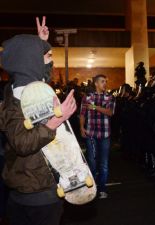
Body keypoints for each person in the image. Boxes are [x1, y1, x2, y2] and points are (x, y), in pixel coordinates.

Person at [0, 17, 77, 225]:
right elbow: (22, 143)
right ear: (28, 61)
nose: (44, 58)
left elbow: (42, 75)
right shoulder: (15, 99)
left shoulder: (24, 88)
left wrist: (41, 41)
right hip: (34, 195)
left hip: (36, 189)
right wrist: (56, 121)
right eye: (39, 55)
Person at [80, 74, 115, 199]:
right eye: (102, 81)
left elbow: (110, 112)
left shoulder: (110, 97)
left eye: (105, 81)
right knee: (92, 161)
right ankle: (93, 189)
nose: (105, 83)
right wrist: (81, 127)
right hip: (91, 133)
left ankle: (102, 189)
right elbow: (82, 114)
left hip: (105, 133)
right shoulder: (87, 97)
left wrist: (95, 107)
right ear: (96, 83)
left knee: (104, 163)